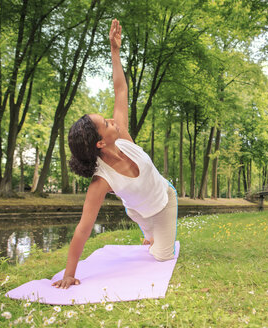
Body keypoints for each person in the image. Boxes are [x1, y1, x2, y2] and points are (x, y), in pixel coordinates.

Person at [52, 19, 178, 289]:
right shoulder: (101, 181)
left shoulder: (121, 135)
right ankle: (150, 234)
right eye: (106, 123)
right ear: (99, 143)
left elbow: (120, 89)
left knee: (161, 257)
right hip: (139, 211)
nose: (112, 120)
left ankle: (155, 237)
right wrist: (68, 274)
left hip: (164, 199)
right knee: (148, 232)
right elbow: (84, 229)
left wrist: (114, 51)